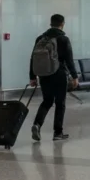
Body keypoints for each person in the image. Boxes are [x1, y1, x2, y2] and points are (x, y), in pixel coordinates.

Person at [29, 14, 78, 142]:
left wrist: (32, 77)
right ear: (62, 24)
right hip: (59, 74)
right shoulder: (63, 39)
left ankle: (37, 124)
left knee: (47, 101)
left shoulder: (40, 38)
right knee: (60, 103)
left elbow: (33, 58)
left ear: (50, 23)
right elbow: (69, 60)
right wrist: (75, 76)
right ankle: (58, 133)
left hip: (44, 75)